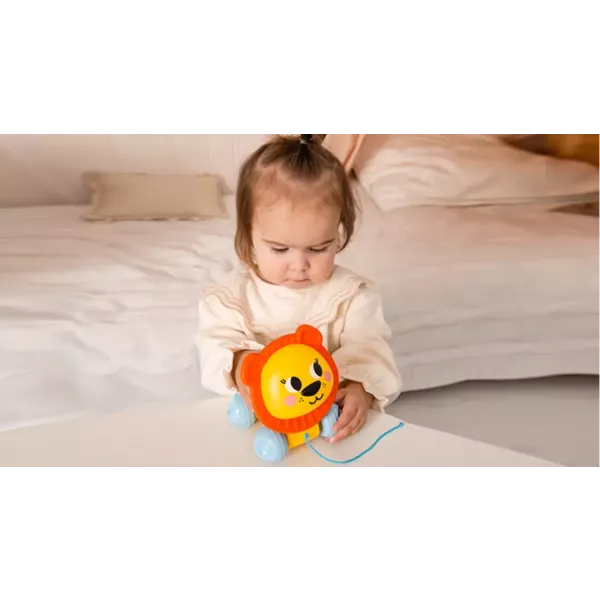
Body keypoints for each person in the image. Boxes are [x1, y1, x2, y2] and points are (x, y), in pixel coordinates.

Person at [196, 133, 402, 444]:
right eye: (280, 249)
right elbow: (214, 349)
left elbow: (370, 348)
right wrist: (239, 365)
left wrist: (360, 387)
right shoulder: (228, 300)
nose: (299, 265)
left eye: (318, 248)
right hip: (258, 430)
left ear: (338, 233)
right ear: (249, 236)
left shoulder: (352, 297)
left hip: (327, 428)